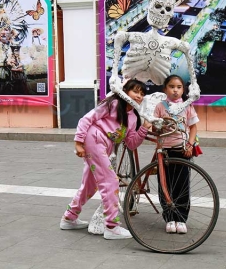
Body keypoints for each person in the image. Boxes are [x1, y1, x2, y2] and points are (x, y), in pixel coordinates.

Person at [60, 79, 152, 240]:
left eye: (142, 94)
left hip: (101, 146)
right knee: (110, 181)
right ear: (125, 91)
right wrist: (78, 142)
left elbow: (131, 143)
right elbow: (86, 119)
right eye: (135, 91)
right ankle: (111, 226)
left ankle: (69, 217)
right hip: (94, 140)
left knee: (89, 185)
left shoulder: (133, 117)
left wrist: (144, 128)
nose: (139, 96)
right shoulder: (113, 104)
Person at [153, 75, 199, 234]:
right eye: (171, 86)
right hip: (164, 151)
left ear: (183, 90)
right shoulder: (160, 106)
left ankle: (181, 219)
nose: (175, 90)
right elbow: (154, 129)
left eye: (179, 87)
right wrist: (158, 126)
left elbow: (193, 128)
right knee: (165, 184)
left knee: (182, 185)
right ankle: (169, 218)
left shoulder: (187, 106)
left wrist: (190, 144)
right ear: (165, 89)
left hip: (182, 150)